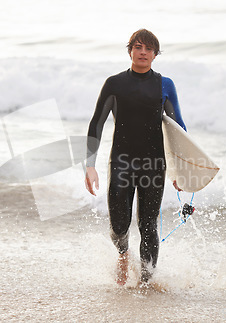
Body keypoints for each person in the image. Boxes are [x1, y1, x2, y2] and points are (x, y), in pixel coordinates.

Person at [85, 29, 186, 286]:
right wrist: (90, 165)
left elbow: (178, 128)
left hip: (153, 164)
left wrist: (181, 171)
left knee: (148, 224)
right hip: (121, 162)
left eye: (149, 49)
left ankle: (145, 282)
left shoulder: (165, 85)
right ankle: (123, 253)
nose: (143, 52)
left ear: (155, 54)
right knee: (119, 225)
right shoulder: (115, 84)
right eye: (138, 47)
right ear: (130, 50)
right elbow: (96, 123)